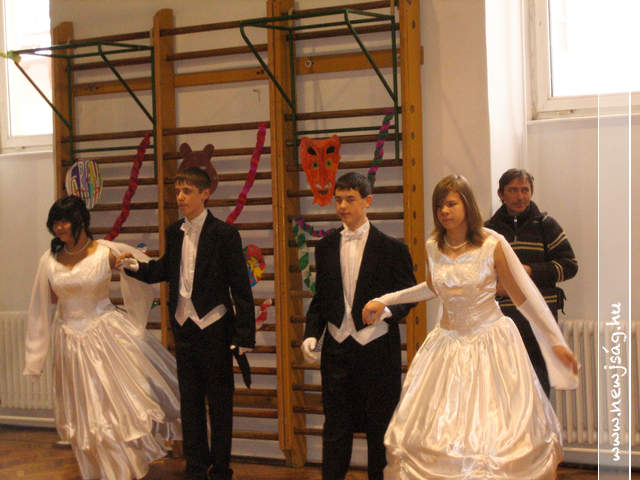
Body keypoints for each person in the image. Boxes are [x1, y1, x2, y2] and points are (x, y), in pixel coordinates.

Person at [363, 174, 579, 480]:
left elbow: (521, 297)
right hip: (447, 346)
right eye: (439, 205)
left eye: (451, 204)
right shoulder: (433, 246)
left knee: (493, 435)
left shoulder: (491, 245)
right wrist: (385, 300)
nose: (444, 211)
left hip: (491, 345)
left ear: (467, 204)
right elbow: (432, 287)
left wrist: (553, 339)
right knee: (437, 432)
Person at [24, 195, 181, 480]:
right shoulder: (49, 260)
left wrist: (136, 315)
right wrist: (35, 357)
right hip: (70, 343)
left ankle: (122, 469)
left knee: (115, 406)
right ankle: (98, 470)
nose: (59, 228)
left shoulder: (105, 252)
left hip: (106, 337)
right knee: (86, 411)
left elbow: (144, 270)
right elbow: (42, 304)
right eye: (55, 223)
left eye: (64, 221)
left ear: (80, 221)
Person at [118, 167, 255, 480]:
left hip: (215, 328)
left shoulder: (225, 234)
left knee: (219, 403)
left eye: (187, 191)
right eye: (177, 191)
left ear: (205, 194)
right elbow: (163, 269)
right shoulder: (174, 232)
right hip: (185, 328)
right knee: (190, 402)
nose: (180, 197)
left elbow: (240, 288)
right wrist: (133, 266)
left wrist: (244, 335)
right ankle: (196, 465)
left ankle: (220, 467)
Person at [300, 172, 417, 480]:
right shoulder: (325, 247)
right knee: (335, 428)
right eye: (338, 200)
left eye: (349, 199)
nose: (342, 206)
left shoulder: (393, 249)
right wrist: (311, 334)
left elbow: (408, 296)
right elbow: (322, 298)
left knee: (380, 429)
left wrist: (387, 310)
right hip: (337, 350)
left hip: (377, 350)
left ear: (367, 201)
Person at [485, 168, 578, 397]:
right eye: (513, 190)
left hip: (539, 318)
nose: (520, 196)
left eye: (525, 190)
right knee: (505, 386)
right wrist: (497, 286)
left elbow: (570, 266)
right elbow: (479, 272)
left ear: (532, 192)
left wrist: (530, 271)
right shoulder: (488, 231)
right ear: (501, 194)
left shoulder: (547, 226)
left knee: (539, 383)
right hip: (501, 320)